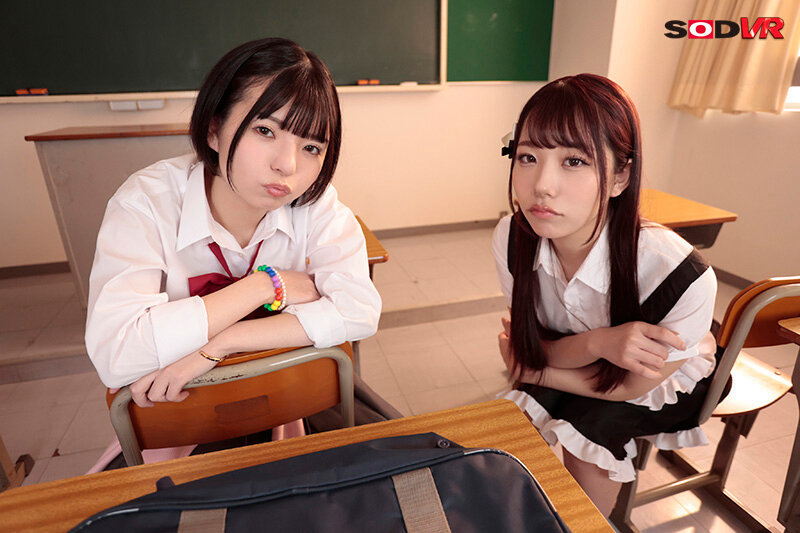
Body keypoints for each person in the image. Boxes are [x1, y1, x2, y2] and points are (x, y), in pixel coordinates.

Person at [85, 37, 381, 413]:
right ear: (214, 129)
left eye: (311, 148)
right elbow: (115, 354)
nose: (287, 165)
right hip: (188, 417)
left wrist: (224, 343)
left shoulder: (314, 204)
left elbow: (359, 311)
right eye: (265, 131)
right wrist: (264, 286)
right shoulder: (147, 202)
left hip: (291, 400)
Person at [492, 74, 717, 516]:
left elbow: (629, 387)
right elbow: (534, 346)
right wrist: (598, 343)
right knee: (509, 430)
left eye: (574, 161)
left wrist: (535, 371)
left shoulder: (679, 274)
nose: (542, 185)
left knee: (589, 430)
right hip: (584, 361)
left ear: (620, 177)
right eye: (528, 157)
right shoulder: (511, 236)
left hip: (666, 383)